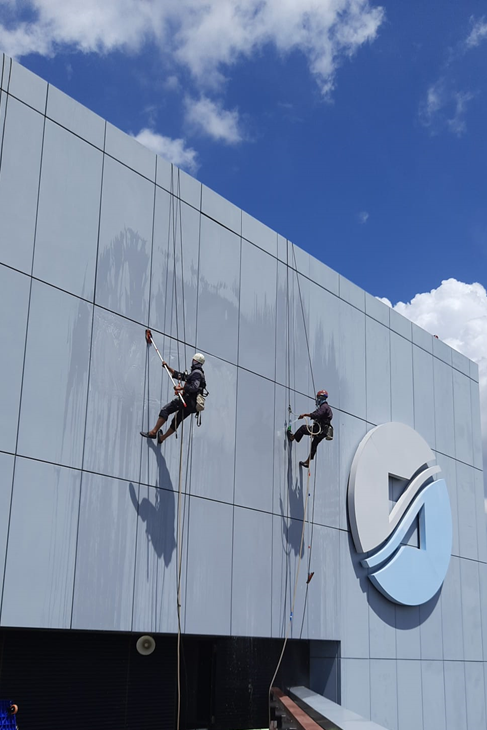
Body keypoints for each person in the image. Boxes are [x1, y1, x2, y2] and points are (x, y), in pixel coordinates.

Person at [141, 353, 206, 444]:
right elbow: (181, 376)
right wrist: (168, 367)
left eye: (194, 360)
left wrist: (181, 388)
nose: (193, 361)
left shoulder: (197, 374)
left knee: (166, 409)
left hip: (187, 400)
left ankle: (153, 432)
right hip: (192, 405)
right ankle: (162, 438)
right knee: (177, 420)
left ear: (197, 362)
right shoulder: (197, 373)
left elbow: (194, 387)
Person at [286, 390, 333, 468]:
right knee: (314, 444)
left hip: (319, 429)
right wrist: (310, 415)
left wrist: (305, 415)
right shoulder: (325, 407)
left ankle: (292, 437)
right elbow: (316, 413)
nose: (317, 399)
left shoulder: (324, 407)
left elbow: (317, 414)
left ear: (321, 398)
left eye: (318, 397)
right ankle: (308, 462)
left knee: (303, 428)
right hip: (323, 431)